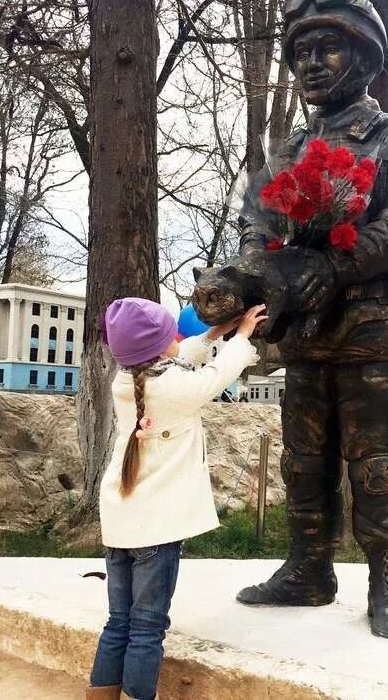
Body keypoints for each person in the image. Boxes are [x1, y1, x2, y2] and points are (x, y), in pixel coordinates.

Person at [229, 0, 388, 640]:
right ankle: (308, 568)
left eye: (328, 49)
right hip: (305, 338)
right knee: (304, 458)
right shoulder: (289, 150)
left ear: (364, 55)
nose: (312, 65)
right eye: (300, 55)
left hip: (367, 332)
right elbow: (256, 220)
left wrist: (333, 266)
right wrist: (252, 274)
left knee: (377, 457)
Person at [86, 297, 266, 700]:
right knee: (148, 627)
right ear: (159, 346)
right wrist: (242, 336)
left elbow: (177, 356)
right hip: (157, 527)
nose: (177, 338)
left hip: (120, 523)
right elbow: (216, 375)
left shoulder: (126, 380)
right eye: (171, 334)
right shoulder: (175, 389)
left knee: (119, 622)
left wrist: (212, 334)